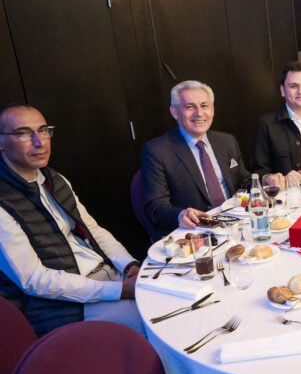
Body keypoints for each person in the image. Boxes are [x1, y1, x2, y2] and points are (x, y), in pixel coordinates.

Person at [0, 105, 144, 336]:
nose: (40, 142)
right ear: (1, 142)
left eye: (43, 130)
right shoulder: (3, 202)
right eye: (24, 133)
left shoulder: (54, 179)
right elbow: (34, 280)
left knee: (174, 299)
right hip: (64, 305)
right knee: (152, 325)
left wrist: (129, 266)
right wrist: (119, 291)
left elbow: (93, 230)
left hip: (105, 278)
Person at [141, 80, 250, 239]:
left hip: (234, 224)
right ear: (174, 112)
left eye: (204, 106)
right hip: (194, 233)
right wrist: (180, 215)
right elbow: (155, 207)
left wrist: (266, 181)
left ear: (212, 109)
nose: (199, 113)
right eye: (190, 107)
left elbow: (244, 180)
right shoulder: (157, 151)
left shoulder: (227, 141)